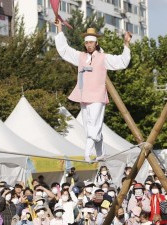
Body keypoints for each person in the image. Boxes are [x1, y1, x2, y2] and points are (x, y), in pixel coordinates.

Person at [54, 21, 132, 163]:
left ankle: (87, 153)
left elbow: (122, 62)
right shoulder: (80, 57)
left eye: (91, 42)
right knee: (89, 126)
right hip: (83, 95)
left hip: (97, 96)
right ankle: (100, 152)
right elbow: (64, 50)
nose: (89, 45)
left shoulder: (103, 58)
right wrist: (59, 28)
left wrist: (126, 44)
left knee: (93, 125)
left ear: (96, 43)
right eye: (87, 43)